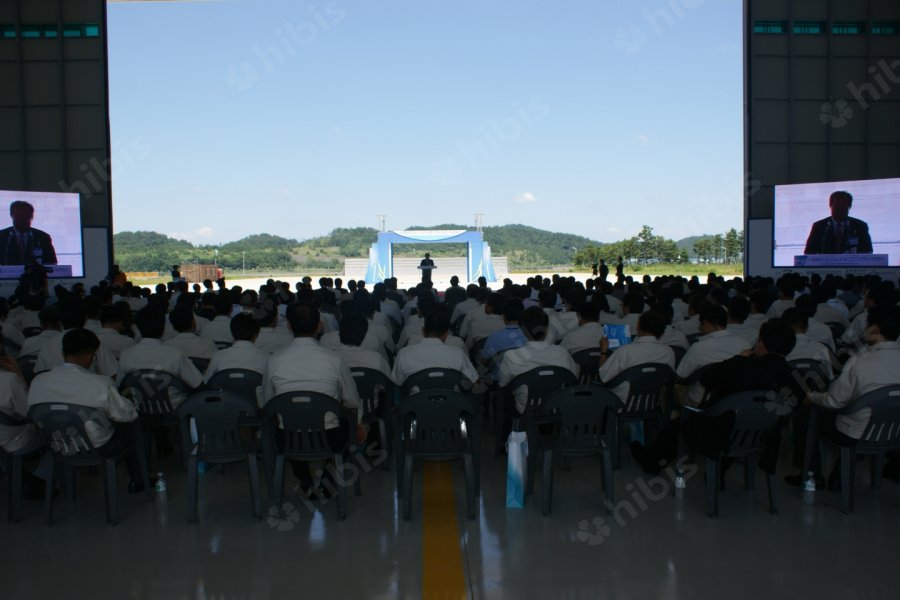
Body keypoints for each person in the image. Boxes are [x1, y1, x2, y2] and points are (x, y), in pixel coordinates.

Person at [28, 329, 149, 493]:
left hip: (56, 443)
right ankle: (139, 480)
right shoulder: (99, 383)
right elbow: (127, 415)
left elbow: (30, 413)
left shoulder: (39, 382)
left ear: (63, 353)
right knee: (133, 425)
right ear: (91, 355)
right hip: (98, 445)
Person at [497, 307, 579, 414]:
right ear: (546, 330)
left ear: (522, 331)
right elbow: (574, 377)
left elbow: (502, 383)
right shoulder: (562, 352)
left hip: (525, 409)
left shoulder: (511, 356)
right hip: (557, 407)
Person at [803, 190, 873, 255]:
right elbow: (809, 252)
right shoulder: (819, 226)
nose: (840, 209)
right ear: (830, 206)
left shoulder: (860, 226)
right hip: (826, 267)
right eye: (837, 207)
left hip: (851, 267)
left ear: (849, 207)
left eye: (843, 207)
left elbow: (867, 251)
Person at [0, 201, 58, 266]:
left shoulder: (43, 237)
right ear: (11, 215)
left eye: (25, 217)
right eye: (18, 217)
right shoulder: (2, 236)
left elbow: (52, 262)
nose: (21, 220)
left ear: (31, 217)